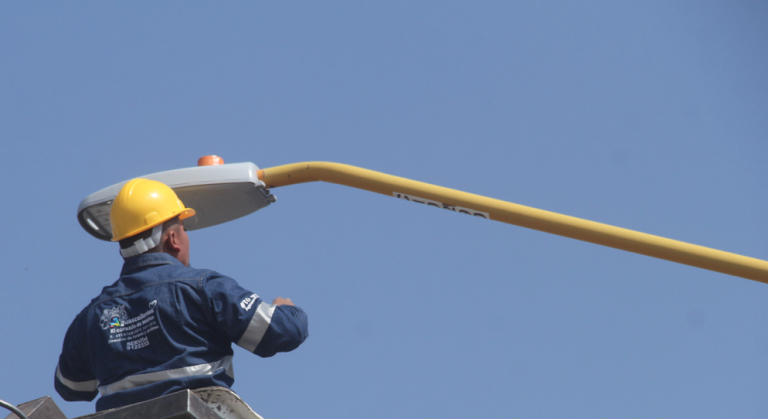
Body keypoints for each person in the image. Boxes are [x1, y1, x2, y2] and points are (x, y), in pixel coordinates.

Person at [54, 178, 308, 412]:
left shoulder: (89, 319)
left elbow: (71, 387)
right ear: (174, 239)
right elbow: (282, 332)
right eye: (184, 229)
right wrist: (285, 309)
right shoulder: (202, 287)